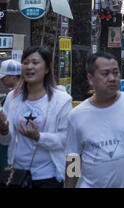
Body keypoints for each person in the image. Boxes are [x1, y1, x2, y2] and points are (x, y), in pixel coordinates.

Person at [64, 52, 124, 188]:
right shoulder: (77, 115)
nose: (112, 78)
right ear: (90, 78)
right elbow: (73, 157)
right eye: (105, 73)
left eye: (115, 73)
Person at [0, 46, 72, 188]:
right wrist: (3, 130)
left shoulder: (62, 100)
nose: (29, 67)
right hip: (16, 175)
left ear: (46, 69)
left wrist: (39, 137)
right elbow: (6, 141)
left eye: (35, 62)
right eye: (25, 63)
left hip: (48, 177)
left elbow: (66, 140)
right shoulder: (13, 98)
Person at [0, 59, 22, 172]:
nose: (2, 80)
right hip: (13, 153)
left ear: (14, 76)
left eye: (4, 77)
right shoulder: (10, 96)